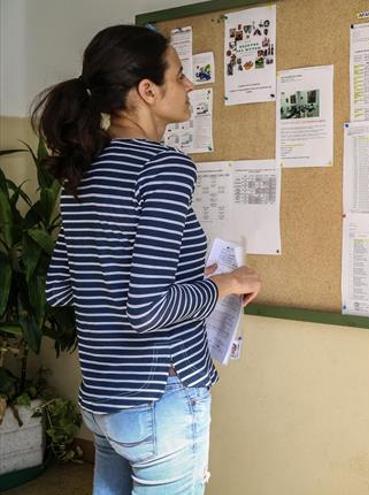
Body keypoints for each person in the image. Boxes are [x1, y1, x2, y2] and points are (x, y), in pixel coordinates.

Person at [33, 25, 261, 494]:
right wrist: (227, 284)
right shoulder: (164, 167)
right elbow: (147, 310)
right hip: (160, 396)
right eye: (179, 76)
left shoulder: (82, 170)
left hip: (102, 399)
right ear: (147, 91)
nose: (189, 86)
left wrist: (184, 274)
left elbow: (60, 288)